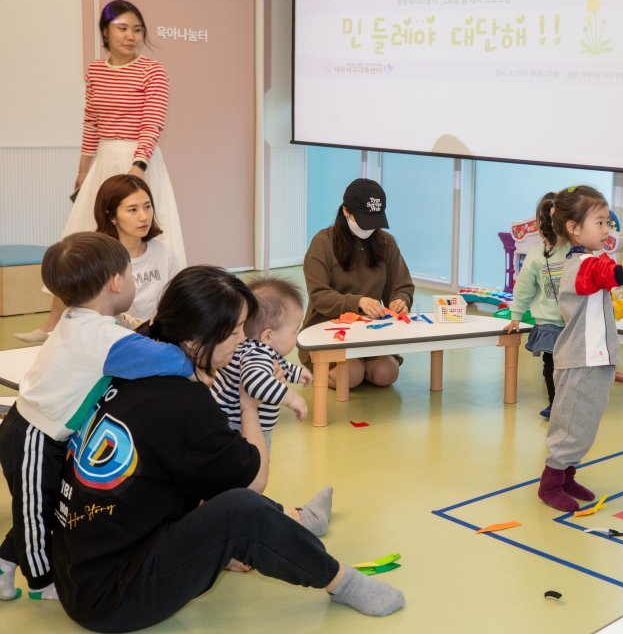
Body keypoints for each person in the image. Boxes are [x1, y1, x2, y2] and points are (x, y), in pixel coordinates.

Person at [52, 266, 404, 631]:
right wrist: (249, 405)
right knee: (241, 507)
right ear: (198, 337)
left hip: (80, 571)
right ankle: (340, 581)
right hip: (115, 597)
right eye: (236, 331)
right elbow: (252, 483)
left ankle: (298, 521)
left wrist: (210, 546)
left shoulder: (135, 358)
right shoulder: (184, 401)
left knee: (208, 479)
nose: (244, 340)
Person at [0, 233, 193, 603]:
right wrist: (194, 360)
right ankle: (42, 583)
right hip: (32, 435)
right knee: (33, 514)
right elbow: (171, 361)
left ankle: (5, 562)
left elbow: (122, 340)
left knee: (47, 504)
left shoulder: (80, 318)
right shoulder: (100, 336)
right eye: (131, 273)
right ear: (116, 282)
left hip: (47, 431)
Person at [538, 186, 623, 512]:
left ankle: (566, 475)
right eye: (600, 223)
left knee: (584, 422)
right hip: (580, 359)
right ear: (574, 228)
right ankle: (550, 483)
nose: (607, 230)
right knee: (571, 423)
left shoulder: (591, 262)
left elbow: (603, 307)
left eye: (608, 223)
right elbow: (622, 274)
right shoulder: (583, 265)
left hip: (595, 357)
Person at [16, 173, 182, 344]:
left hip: (152, 338)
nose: (144, 216)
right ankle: (51, 326)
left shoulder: (164, 252)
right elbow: (71, 291)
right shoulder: (98, 255)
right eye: (133, 209)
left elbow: (178, 301)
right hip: (108, 340)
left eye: (147, 206)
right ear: (111, 217)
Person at [300, 178, 414, 388]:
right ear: (346, 212)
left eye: (374, 222)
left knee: (386, 373)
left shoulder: (386, 242)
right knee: (351, 375)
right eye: (363, 221)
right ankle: (325, 369)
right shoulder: (322, 242)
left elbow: (402, 285)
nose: (369, 229)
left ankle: (361, 364)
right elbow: (318, 295)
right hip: (327, 330)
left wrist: (401, 300)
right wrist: (358, 302)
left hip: (370, 331)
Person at [212, 276, 312, 448]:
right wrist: (291, 398)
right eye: (295, 330)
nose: (297, 335)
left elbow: (279, 366)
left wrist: (297, 373)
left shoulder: (254, 347)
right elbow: (255, 382)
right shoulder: (256, 355)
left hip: (231, 418)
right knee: (256, 461)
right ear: (268, 336)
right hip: (239, 425)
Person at [505, 193, 571, 419]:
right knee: (551, 366)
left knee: (572, 368)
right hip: (550, 324)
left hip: (574, 323)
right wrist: (516, 315)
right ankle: (555, 404)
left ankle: (570, 403)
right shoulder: (535, 257)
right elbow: (523, 289)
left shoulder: (576, 251)